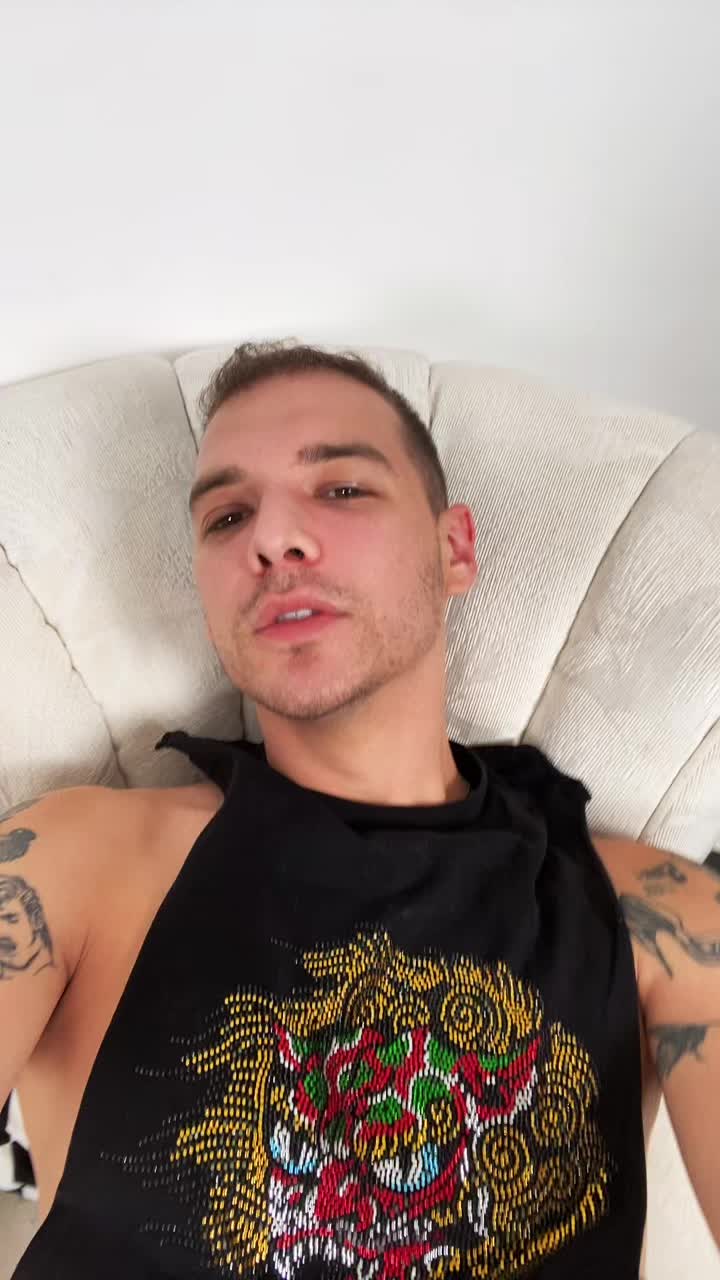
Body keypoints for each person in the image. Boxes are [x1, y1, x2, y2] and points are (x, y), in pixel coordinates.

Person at [2, 340, 718, 1279]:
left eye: (341, 489)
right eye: (227, 516)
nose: (271, 539)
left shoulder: (660, 922)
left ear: (453, 548)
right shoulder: (71, 864)